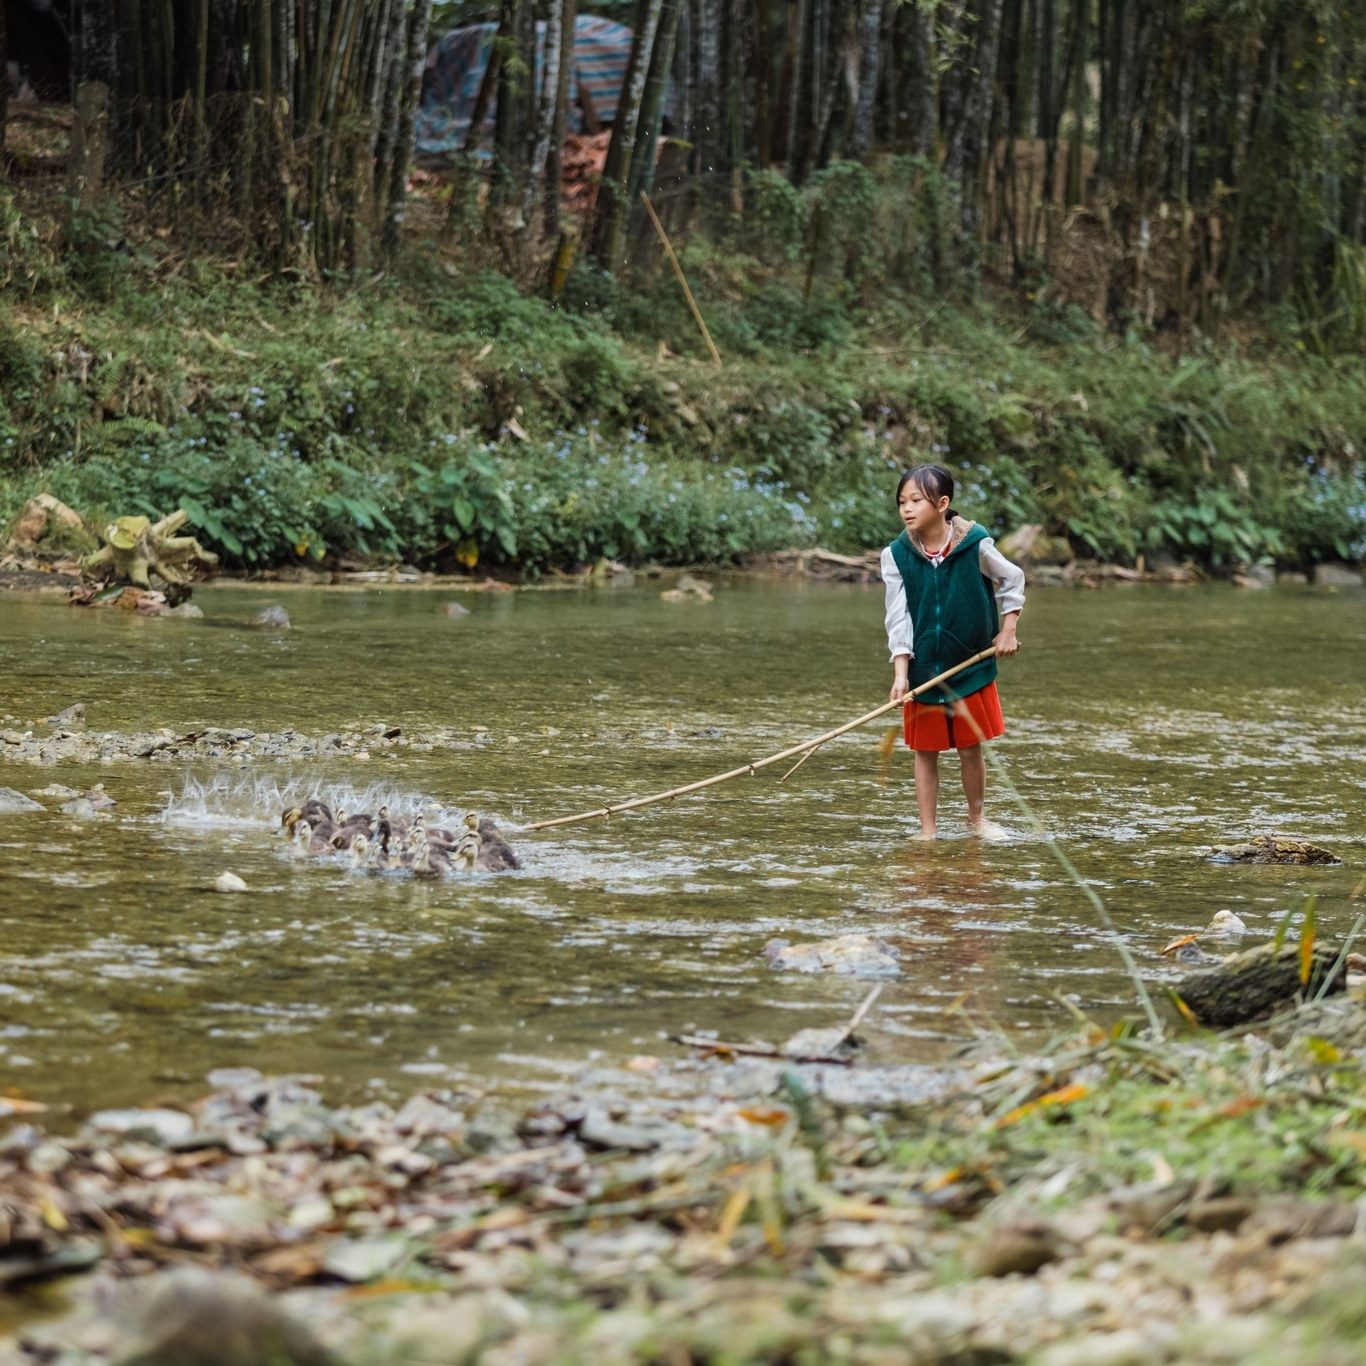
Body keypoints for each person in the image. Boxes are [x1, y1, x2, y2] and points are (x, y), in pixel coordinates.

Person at [881, 464, 1025, 839]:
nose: (907, 509)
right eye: (901, 502)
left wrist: (1007, 630)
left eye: (916, 500)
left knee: (969, 746)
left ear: (943, 504)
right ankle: (927, 830)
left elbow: (1012, 578)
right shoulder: (896, 555)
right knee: (924, 752)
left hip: (969, 664)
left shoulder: (974, 543)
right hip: (923, 668)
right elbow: (899, 619)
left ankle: (977, 821)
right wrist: (901, 674)